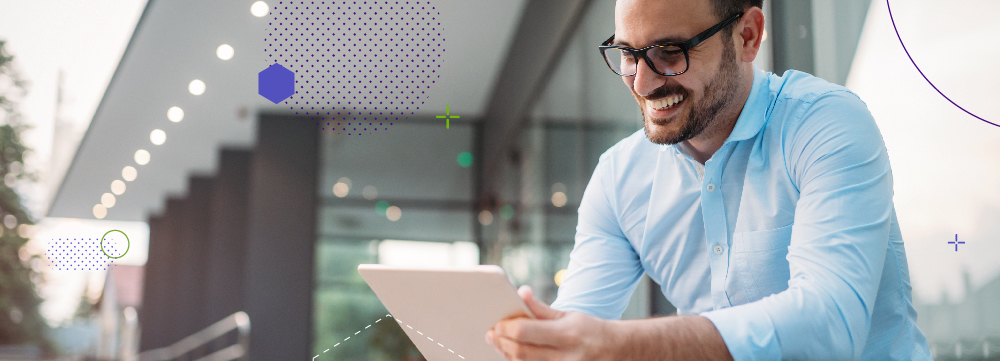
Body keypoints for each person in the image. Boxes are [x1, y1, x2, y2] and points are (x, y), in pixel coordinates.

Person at [484, 0, 933, 360]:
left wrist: (620, 346)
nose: (641, 82)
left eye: (670, 52)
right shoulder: (620, 179)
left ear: (748, 37)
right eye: (627, 54)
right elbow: (574, 334)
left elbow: (830, 323)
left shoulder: (823, 124)